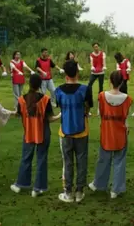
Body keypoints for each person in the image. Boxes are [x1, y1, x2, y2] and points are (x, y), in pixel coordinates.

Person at [11, 74, 60, 197]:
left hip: (28, 133)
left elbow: (18, 114)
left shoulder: (21, 100)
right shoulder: (45, 99)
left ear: (29, 83)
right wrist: (60, 115)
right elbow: (50, 119)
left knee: (26, 158)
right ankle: (38, 188)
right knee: (41, 159)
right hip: (43, 133)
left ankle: (21, 184)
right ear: (40, 85)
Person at [88, 71, 132, 199]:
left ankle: (99, 184)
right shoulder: (127, 99)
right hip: (120, 133)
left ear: (110, 81)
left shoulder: (102, 96)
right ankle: (116, 189)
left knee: (103, 159)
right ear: (122, 82)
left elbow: (100, 113)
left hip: (107, 132)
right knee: (119, 161)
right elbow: (125, 116)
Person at [56, 60, 92, 203]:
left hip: (65, 131)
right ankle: (79, 191)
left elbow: (60, 106)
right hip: (82, 130)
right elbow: (88, 107)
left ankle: (68, 192)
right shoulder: (85, 89)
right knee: (81, 161)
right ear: (77, 72)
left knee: (68, 162)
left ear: (65, 73)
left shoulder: (58, 91)